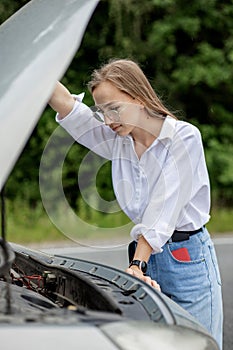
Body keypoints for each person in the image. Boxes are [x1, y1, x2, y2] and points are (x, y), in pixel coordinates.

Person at [48, 58, 223, 348]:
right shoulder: (118, 139)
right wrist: (33, 64)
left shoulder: (184, 137)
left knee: (196, 343)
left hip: (185, 259)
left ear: (139, 98)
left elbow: (162, 210)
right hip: (144, 260)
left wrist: (137, 264)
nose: (108, 120)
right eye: (102, 111)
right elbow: (67, 105)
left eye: (114, 108)